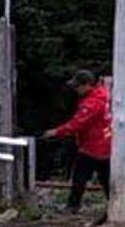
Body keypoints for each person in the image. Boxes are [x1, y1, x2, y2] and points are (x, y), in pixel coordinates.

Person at [43, 69, 112, 217]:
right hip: (104, 142)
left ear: (87, 85)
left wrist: (56, 132)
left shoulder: (92, 103)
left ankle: (73, 206)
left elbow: (77, 123)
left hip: (93, 145)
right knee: (105, 177)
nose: (75, 90)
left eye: (77, 86)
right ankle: (113, 202)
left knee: (80, 176)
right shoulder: (103, 95)